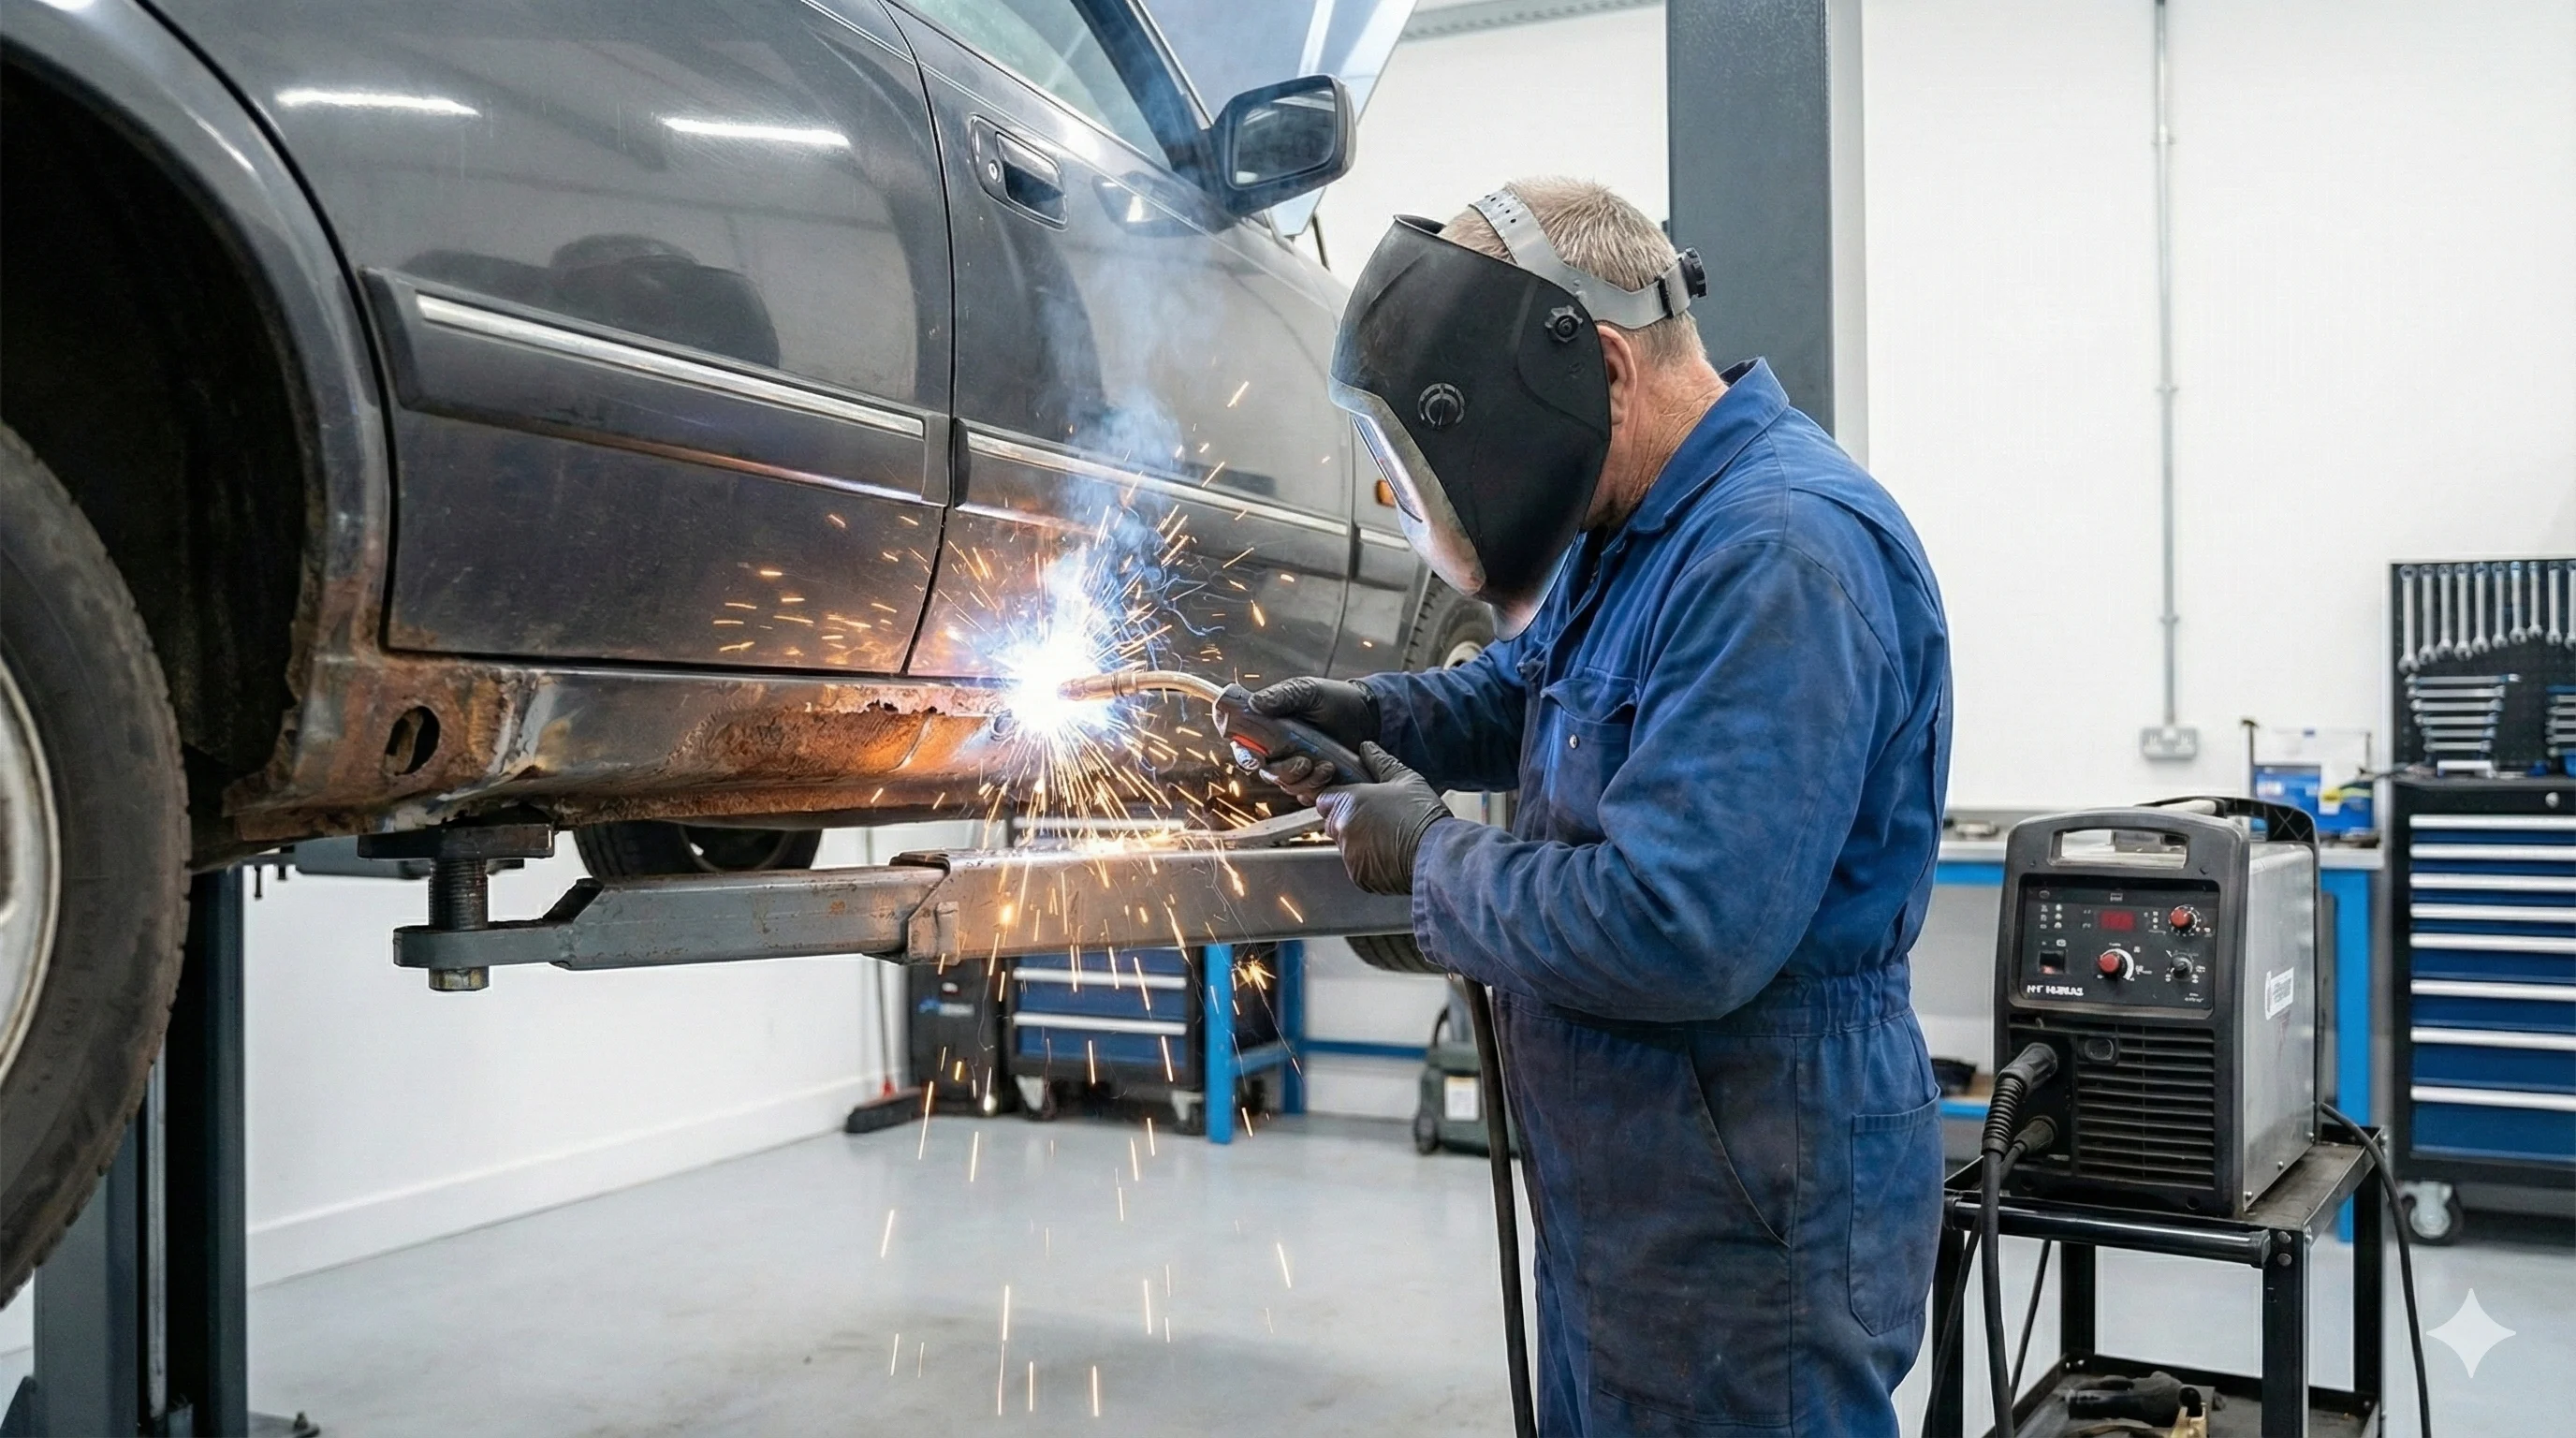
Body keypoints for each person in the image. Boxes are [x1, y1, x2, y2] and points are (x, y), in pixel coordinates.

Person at [1235, 179, 1953, 1437]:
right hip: (1640, 1184)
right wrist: (1380, 717)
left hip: (1745, 1203)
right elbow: (1531, 688)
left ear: (1601, 367)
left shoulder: (1774, 554)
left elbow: (1678, 924)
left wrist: (1430, 856)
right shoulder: (1638, 528)